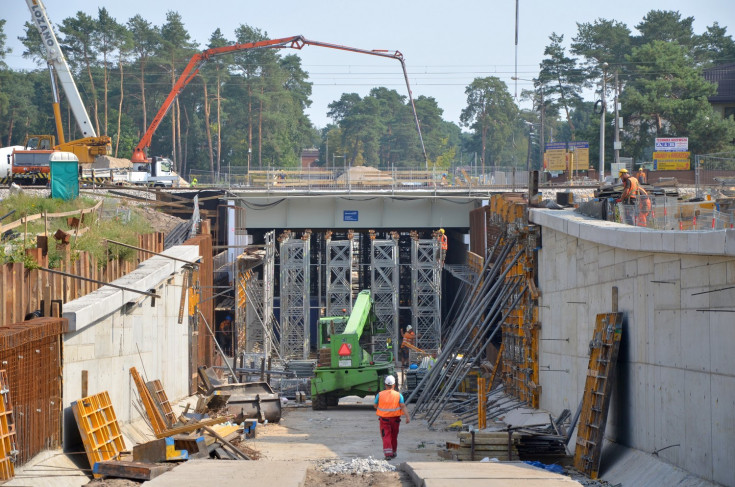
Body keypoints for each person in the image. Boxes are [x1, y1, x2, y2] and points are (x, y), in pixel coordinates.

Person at [374, 375, 409, 460]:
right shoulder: (398, 395)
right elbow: (403, 406)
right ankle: (393, 452)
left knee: (386, 436)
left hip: (384, 420)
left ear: (385, 385)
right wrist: (407, 417)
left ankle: (388, 454)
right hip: (395, 420)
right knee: (394, 436)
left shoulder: (380, 395)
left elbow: (375, 405)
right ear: (394, 385)